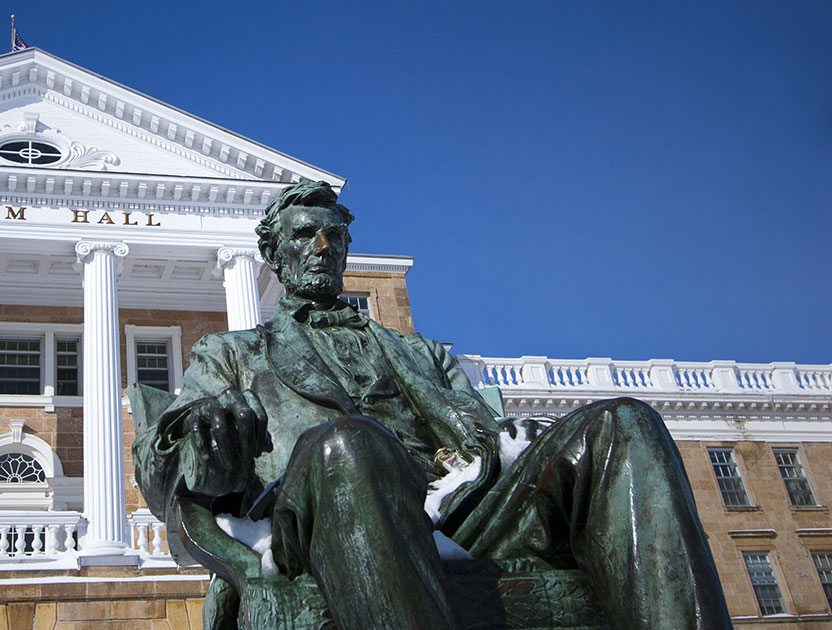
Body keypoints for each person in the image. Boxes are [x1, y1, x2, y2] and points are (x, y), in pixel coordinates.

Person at [133, 180, 732, 630]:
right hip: (320, 516)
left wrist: (513, 438)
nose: (320, 245)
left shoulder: (422, 354)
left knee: (622, 423)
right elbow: (165, 471)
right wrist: (201, 436)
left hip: (459, 506)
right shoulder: (233, 351)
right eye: (302, 235)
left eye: (334, 235)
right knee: (352, 440)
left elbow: (487, 436)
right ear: (274, 256)